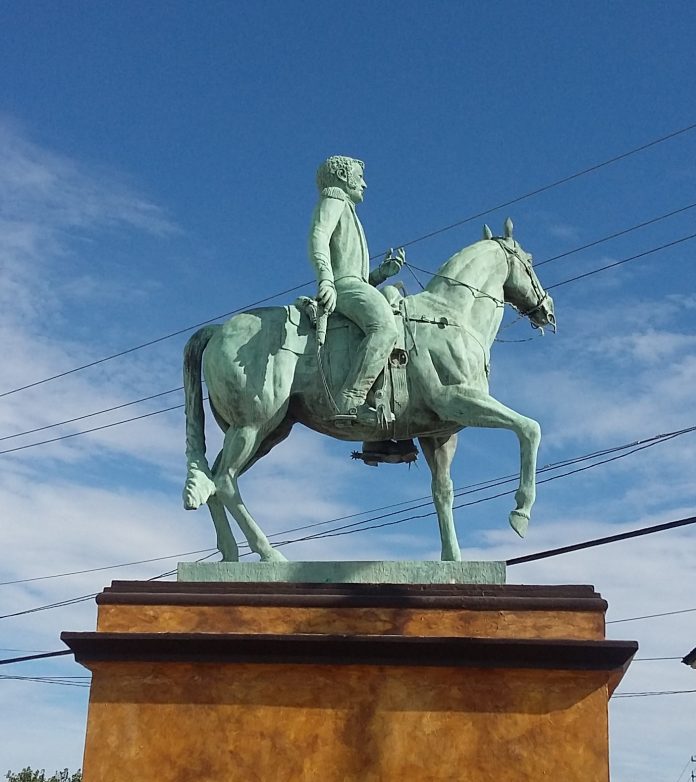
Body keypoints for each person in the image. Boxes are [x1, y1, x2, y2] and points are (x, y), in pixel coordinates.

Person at [308, 155, 404, 423]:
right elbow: (318, 236)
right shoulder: (335, 199)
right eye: (359, 176)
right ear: (342, 176)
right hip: (343, 286)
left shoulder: (347, 207)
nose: (365, 184)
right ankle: (350, 398)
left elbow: (356, 275)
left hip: (353, 285)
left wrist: (380, 274)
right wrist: (325, 279)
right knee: (385, 329)